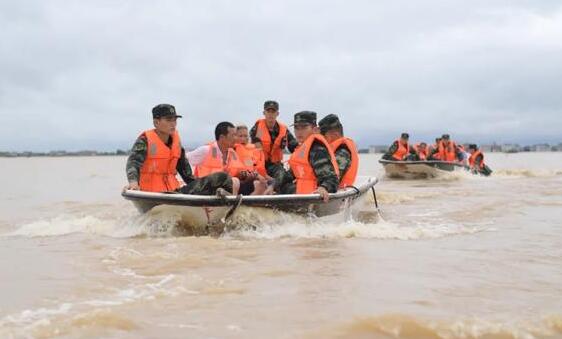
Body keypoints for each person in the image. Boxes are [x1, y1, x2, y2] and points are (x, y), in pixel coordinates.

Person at [125, 104, 235, 196]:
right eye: (169, 120)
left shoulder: (176, 144)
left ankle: (223, 206)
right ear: (156, 123)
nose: (173, 123)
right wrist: (133, 183)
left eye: (174, 120)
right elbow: (133, 163)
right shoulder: (145, 140)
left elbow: (187, 176)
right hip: (151, 194)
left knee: (222, 177)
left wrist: (206, 188)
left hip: (175, 193)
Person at [275, 111, 339, 202]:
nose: (299, 131)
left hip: (312, 197)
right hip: (300, 195)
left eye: (304, 127)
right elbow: (290, 174)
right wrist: (272, 185)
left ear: (315, 129)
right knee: (279, 183)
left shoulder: (317, 150)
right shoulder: (303, 149)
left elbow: (332, 179)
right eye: (296, 127)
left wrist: (323, 188)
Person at [188, 122, 266, 195]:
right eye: (233, 135)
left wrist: (252, 175)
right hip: (206, 189)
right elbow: (184, 161)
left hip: (227, 188)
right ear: (222, 137)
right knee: (234, 182)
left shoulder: (232, 153)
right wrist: (192, 181)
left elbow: (239, 172)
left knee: (258, 184)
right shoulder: (206, 150)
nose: (236, 139)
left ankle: (245, 206)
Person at [249, 100, 298, 178]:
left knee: (282, 175)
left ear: (277, 114)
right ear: (264, 113)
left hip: (276, 166)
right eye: (268, 111)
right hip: (259, 165)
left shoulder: (283, 130)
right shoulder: (258, 127)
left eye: (273, 112)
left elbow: (294, 146)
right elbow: (252, 142)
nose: (270, 114)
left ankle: (274, 186)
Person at [318, 114, 359, 188]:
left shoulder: (343, 153)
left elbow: (333, 178)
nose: (322, 140)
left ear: (335, 134)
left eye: (324, 136)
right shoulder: (333, 150)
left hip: (334, 190)